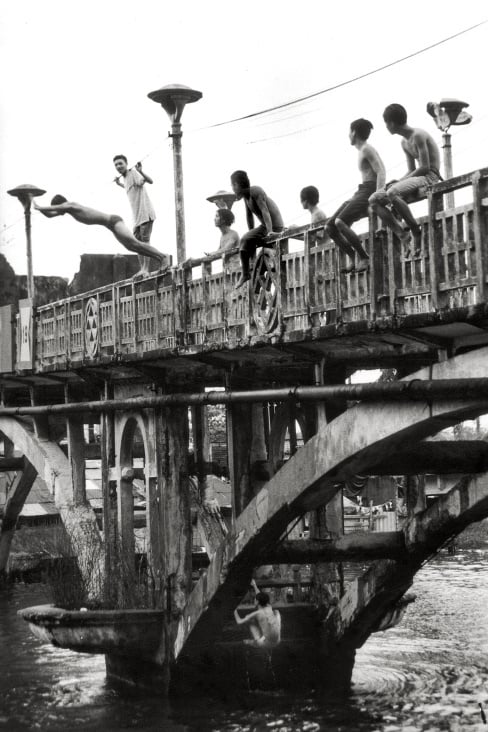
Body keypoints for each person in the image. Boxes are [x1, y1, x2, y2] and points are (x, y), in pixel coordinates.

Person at [369, 104, 441, 257]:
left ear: (391, 123)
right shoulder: (404, 142)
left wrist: (397, 184)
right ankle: (402, 234)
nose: (386, 126)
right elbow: (411, 169)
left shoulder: (418, 135)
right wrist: (400, 180)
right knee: (374, 199)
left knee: (392, 192)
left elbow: (425, 167)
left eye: (386, 123)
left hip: (430, 176)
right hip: (418, 176)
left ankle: (415, 230)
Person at [34, 196, 168, 270]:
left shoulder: (71, 205)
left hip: (114, 221)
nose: (61, 213)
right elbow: (51, 215)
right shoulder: (69, 209)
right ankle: (159, 258)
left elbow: (58, 208)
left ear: (62, 203)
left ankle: (163, 257)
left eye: (60, 208)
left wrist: (39, 206)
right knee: (131, 247)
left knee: (135, 244)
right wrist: (35, 205)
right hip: (111, 225)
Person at [326, 118, 386, 272]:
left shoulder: (367, 149)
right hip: (362, 190)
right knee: (330, 227)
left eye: (349, 132)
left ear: (353, 132)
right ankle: (353, 258)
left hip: (369, 189)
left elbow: (381, 171)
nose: (348, 136)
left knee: (340, 222)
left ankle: (364, 257)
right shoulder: (362, 151)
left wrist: (378, 195)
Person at [230, 170, 284, 288]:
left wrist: (270, 232)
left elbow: (265, 211)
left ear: (237, 184)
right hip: (265, 226)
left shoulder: (255, 191)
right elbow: (249, 216)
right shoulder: (246, 198)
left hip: (274, 226)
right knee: (247, 241)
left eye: (233, 185)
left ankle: (245, 274)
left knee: (244, 239)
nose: (232, 189)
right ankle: (265, 283)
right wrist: (251, 233)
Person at [113, 155, 157, 275]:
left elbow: (150, 181)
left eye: (120, 163)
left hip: (145, 213)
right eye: (116, 165)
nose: (118, 166)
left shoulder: (133, 173)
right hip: (137, 217)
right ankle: (142, 269)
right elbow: (130, 188)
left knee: (145, 242)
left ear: (126, 164)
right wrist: (119, 184)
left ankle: (146, 269)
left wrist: (140, 171)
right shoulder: (126, 178)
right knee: (136, 244)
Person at [234, 579, 281, 647]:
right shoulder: (269, 607)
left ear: (257, 601)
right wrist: (254, 585)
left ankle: (255, 641)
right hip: (278, 640)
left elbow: (239, 621)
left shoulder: (257, 613)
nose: (254, 599)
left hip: (267, 644)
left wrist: (234, 609)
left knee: (251, 621)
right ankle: (263, 637)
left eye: (255, 599)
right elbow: (260, 596)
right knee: (276, 612)